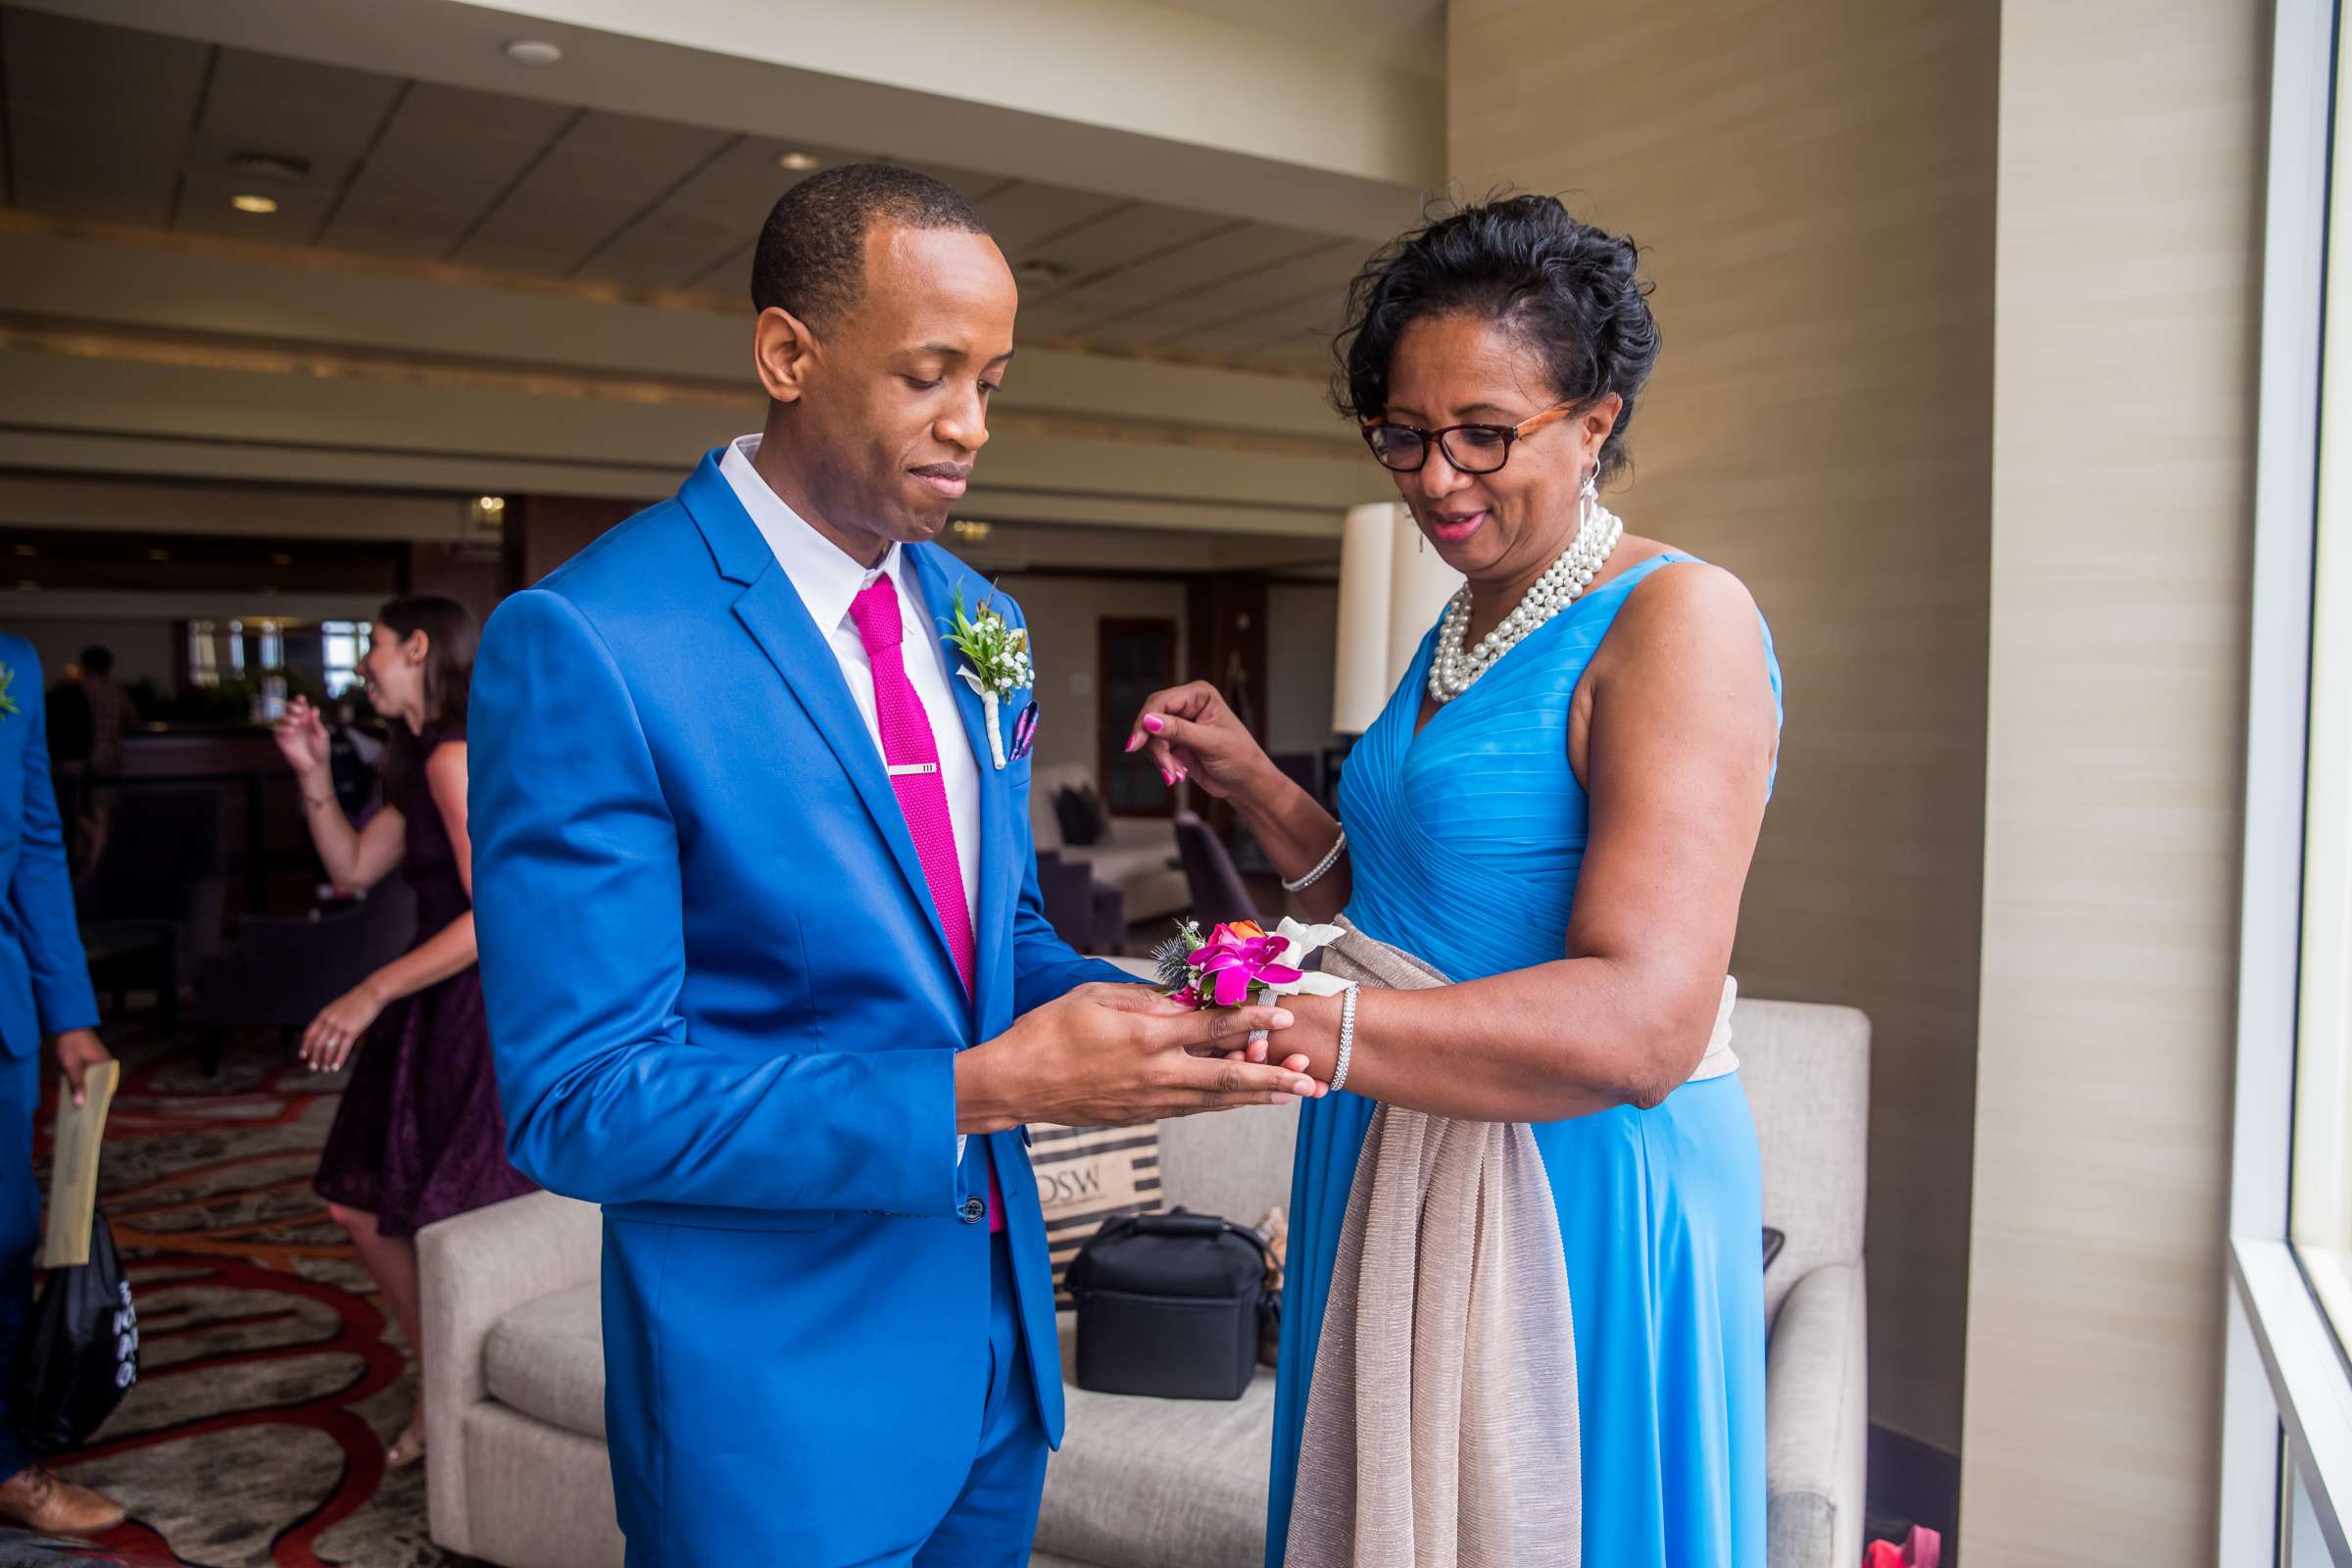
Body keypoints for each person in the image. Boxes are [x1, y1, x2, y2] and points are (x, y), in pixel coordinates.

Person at [466, 163, 1318, 1567]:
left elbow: (990, 938)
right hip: (776, 1397)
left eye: (992, 379)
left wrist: (1148, 1005)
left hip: (994, 1361)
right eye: (930, 374)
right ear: (787, 354)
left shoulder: (976, 617)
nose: (972, 426)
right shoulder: (598, 642)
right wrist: (988, 1089)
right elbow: (582, 1102)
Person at [1128, 194, 1783, 1567]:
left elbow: (1646, 1025)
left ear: (1595, 420)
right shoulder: (1472, 613)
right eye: (1405, 438)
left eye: (1484, 432)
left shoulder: (1682, 619)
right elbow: (1394, 905)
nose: (1436, 478)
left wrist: (1318, 1029)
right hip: (1398, 1138)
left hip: (1567, 1178)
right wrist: (1253, 777)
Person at [270, 597, 535, 1470]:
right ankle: (443, 1380)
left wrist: (369, 993)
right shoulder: (419, 758)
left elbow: (498, 915)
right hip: (427, 1001)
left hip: (467, 1008)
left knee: (437, 1213)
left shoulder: (455, 759)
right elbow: (350, 867)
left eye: (376, 647)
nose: (365, 665)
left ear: (418, 647)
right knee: (364, 1204)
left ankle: (445, 1393)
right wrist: (311, 769)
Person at [0, 632, 125, 1536]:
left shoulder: (13, 664)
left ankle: (6, 1461)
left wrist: (68, 1013)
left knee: (8, 1238)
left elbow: (37, 844)